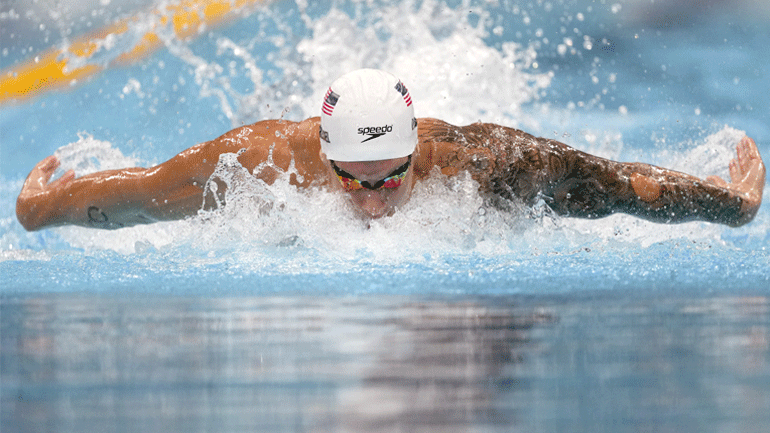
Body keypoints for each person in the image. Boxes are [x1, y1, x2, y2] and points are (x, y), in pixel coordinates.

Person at [16, 69, 765, 231]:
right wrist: (40, 209)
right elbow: (144, 193)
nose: (373, 202)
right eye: (353, 182)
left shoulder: (476, 162)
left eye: (390, 180)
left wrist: (730, 207)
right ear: (322, 152)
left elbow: (619, 186)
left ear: (418, 152)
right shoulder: (265, 161)